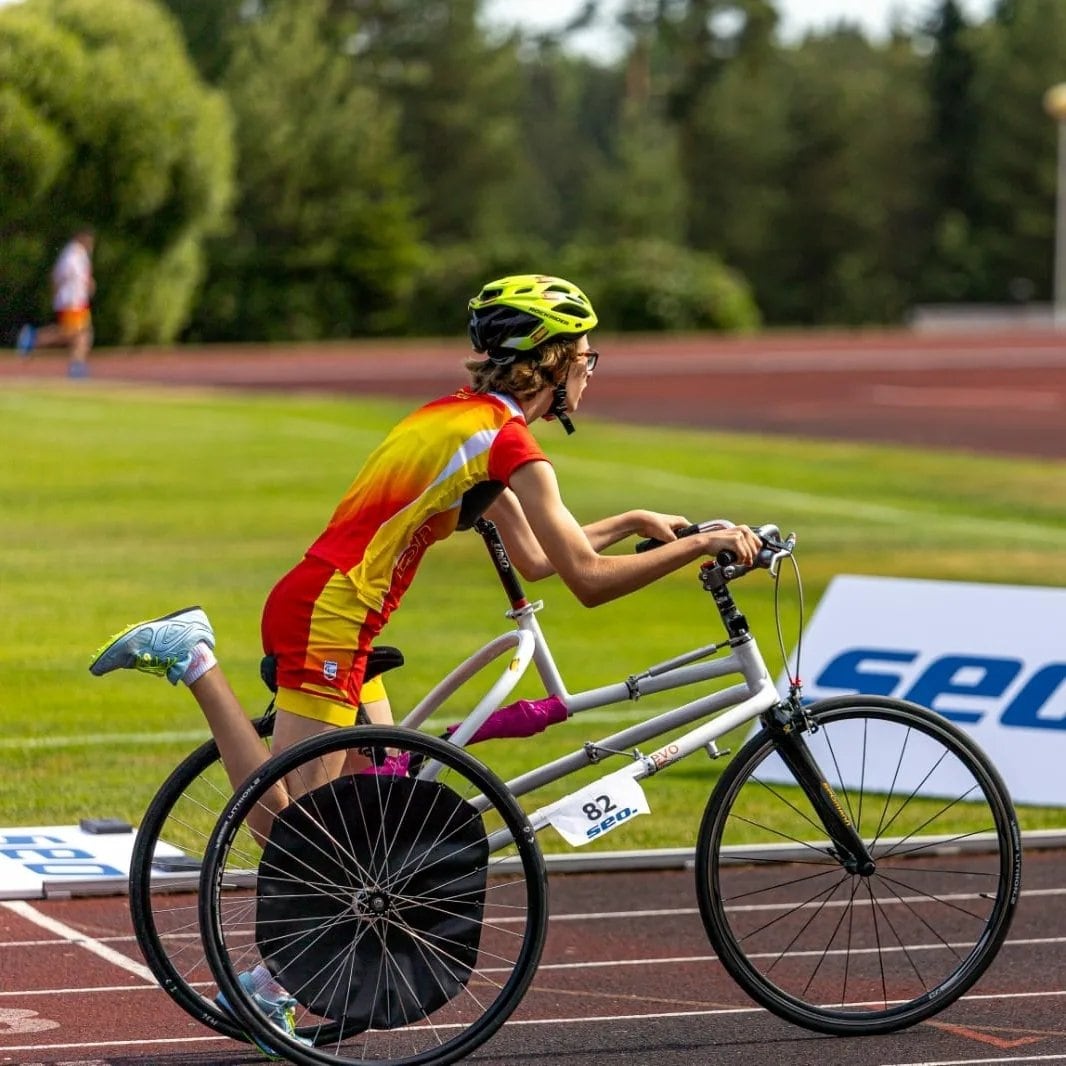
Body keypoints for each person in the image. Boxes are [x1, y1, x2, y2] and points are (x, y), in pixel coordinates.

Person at [89, 273, 760, 1042]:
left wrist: (640, 518)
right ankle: (195, 659)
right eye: (584, 355)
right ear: (550, 360)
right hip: (332, 615)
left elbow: (541, 559)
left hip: (337, 610)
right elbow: (587, 582)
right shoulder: (508, 441)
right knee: (297, 833)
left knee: (373, 832)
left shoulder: (462, 421)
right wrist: (706, 543)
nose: (589, 369)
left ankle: (273, 983)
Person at [17, 228, 96, 378]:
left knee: (79, 333)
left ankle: (76, 365)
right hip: (71, 301)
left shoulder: (81, 255)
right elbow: (57, 277)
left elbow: (82, 278)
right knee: (73, 333)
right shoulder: (70, 255)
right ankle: (35, 338)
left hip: (78, 301)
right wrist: (57, 296)